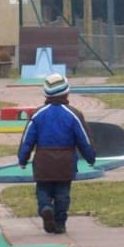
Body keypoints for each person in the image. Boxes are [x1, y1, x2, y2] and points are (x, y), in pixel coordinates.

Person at [17, 73, 96, 233]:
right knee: (63, 193)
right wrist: (90, 157)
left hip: (43, 160)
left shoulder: (38, 114)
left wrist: (23, 158)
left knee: (43, 189)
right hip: (65, 161)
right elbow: (84, 139)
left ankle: (46, 207)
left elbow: (27, 140)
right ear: (67, 92)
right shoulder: (73, 114)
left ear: (46, 93)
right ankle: (60, 223)